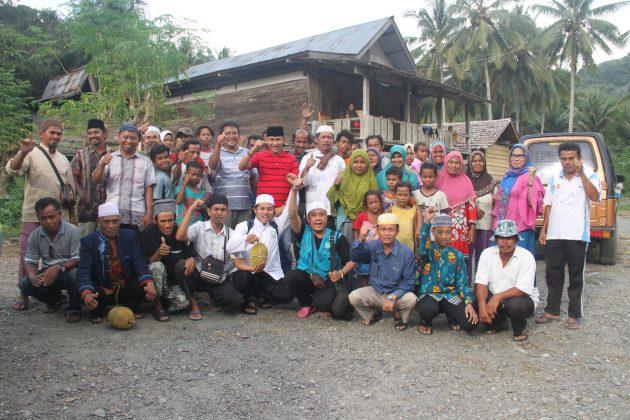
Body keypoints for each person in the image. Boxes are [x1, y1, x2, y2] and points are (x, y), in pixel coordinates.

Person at [6, 119, 75, 311]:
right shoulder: (31, 153)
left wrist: (71, 217)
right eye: (52, 132)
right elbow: (12, 169)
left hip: (59, 217)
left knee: (59, 256)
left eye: (58, 133)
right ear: (41, 134)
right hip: (33, 215)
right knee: (27, 255)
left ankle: (55, 295)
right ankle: (24, 294)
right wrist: (23, 152)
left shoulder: (63, 159)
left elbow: (70, 191)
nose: (55, 136)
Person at [537, 142, 601, 330]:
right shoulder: (555, 177)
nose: (567, 162)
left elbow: (595, 196)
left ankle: (574, 315)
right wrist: (543, 229)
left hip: (577, 234)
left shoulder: (589, 175)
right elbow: (548, 204)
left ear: (578, 159)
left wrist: (581, 174)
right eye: (564, 159)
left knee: (575, 276)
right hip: (555, 234)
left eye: (571, 158)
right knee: (552, 273)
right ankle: (552, 311)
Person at [286, 181, 358, 319]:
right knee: (291, 277)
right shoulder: (303, 232)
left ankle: (321, 303)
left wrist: (340, 273)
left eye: (322, 214)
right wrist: (294, 190)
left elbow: (352, 260)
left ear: (327, 217)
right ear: (308, 219)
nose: (318, 218)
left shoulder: (337, 237)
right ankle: (305, 303)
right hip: (308, 277)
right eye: (314, 215)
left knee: (323, 305)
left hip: (327, 281)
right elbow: (293, 214)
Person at [77, 203, 157, 324]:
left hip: (124, 285)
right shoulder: (88, 241)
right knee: (85, 291)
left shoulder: (130, 236)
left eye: (115, 221)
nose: (111, 226)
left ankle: (127, 309)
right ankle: (102, 309)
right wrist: (86, 293)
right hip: (102, 288)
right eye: (106, 222)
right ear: (99, 222)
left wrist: (149, 282)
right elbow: (84, 269)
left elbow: (138, 261)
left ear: (120, 221)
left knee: (144, 284)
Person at [175, 195, 251, 320]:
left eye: (223, 210)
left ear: (227, 212)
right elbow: (180, 236)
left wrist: (252, 267)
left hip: (218, 278)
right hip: (199, 274)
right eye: (216, 209)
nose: (219, 213)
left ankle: (213, 298)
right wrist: (191, 209)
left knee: (234, 303)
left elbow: (237, 261)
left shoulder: (232, 234)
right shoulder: (199, 227)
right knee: (180, 266)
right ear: (209, 211)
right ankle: (193, 302)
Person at [226, 194, 296, 310]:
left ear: (273, 211)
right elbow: (230, 247)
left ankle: (261, 294)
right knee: (242, 279)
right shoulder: (244, 226)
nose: (265, 212)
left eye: (269, 209)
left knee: (286, 295)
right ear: (255, 210)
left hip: (268, 273)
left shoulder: (275, 226)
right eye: (262, 209)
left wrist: (294, 189)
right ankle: (250, 298)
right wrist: (246, 239)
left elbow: (290, 210)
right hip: (248, 271)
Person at [349, 213, 418, 331]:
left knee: (410, 299)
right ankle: (374, 314)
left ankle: (400, 317)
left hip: (397, 295)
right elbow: (355, 257)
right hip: (377, 292)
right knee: (354, 296)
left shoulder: (406, 252)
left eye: (391, 229)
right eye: (383, 229)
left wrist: (392, 297)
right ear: (378, 231)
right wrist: (361, 238)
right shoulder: (372, 245)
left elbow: (409, 282)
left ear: (397, 232)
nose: (387, 233)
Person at [19, 197, 81, 322]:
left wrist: (59, 267)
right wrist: (32, 276)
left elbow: (77, 259)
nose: (48, 221)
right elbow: (31, 261)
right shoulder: (35, 235)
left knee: (75, 275)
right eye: (43, 218)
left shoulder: (73, 231)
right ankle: (54, 301)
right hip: (49, 272)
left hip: (68, 269)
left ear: (60, 214)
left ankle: (74, 309)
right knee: (25, 283)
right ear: (38, 218)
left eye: (52, 217)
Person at [475, 219, 539, 341]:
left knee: (515, 306)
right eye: (501, 238)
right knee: (476, 301)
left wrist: (497, 297)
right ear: (496, 239)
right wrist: (481, 304)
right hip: (495, 296)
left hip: (520, 298)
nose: (505, 242)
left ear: (516, 239)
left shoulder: (526, 256)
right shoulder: (487, 253)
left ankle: (520, 327)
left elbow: (522, 289)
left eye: (509, 238)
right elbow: (481, 282)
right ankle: (499, 322)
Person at [416, 210, 478, 334]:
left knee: (471, 324)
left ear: (452, 233)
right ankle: (425, 321)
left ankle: (452, 315)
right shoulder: (428, 251)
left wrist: (468, 303)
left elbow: (462, 283)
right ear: (433, 232)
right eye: (440, 232)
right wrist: (427, 222)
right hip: (430, 294)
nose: (444, 236)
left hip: (450, 295)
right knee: (427, 309)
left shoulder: (457, 255)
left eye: (448, 232)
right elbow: (422, 246)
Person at [92, 122, 156, 232]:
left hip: (137, 216)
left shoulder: (146, 162)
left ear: (138, 140)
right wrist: (102, 164)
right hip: (112, 215)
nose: (129, 141)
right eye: (125, 137)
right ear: (118, 138)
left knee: (134, 247)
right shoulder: (109, 158)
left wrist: (149, 213)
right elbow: (95, 179)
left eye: (133, 138)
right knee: (111, 248)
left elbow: (148, 190)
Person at [141, 199, 194, 322]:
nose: (167, 225)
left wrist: (191, 259)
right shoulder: (148, 233)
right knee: (156, 266)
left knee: (183, 304)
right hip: (154, 282)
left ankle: (165, 302)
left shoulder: (179, 232)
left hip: (171, 283)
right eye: (163, 221)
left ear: (175, 219)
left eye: (170, 220)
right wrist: (158, 253)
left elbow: (189, 254)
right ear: (155, 221)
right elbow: (145, 262)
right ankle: (157, 305)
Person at [492, 144, 544, 256]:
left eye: (520, 156)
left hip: (520, 227)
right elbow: (498, 200)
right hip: (503, 227)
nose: (516, 158)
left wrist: (530, 179)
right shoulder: (507, 176)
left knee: (520, 260)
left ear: (526, 158)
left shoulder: (530, 176)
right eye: (514, 155)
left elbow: (532, 202)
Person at [435, 151, 477, 281]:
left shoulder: (466, 181)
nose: (454, 165)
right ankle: (443, 287)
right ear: (446, 163)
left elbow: (471, 206)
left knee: (460, 260)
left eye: (457, 163)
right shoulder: (439, 180)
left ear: (461, 165)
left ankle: (462, 288)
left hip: (461, 229)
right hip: (442, 226)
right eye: (451, 162)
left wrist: (472, 228)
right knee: (442, 258)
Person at [238, 126, 298, 212]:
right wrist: (253, 149)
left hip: (284, 209)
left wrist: (283, 207)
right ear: (267, 140)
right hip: (263, 210)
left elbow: (294, 185)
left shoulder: (291, 158)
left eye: (278, 139)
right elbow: (241, 167)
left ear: (283, 140)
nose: (275, 143)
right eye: (272, 139)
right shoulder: (259, 156)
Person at [209, 121, 252, 229]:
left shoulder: (247, 153)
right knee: (224, 239)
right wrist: (218, 145)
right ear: (221, 136)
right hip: (223, 208)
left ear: (239, 135)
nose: (231, 136)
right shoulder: (217, 152)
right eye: (227, 133)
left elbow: (254, 178)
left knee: (243, 240)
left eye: (234, 133)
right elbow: (213, 166)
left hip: (245, 206)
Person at [327, 149, 378, 241]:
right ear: (351, 163)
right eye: (355, 162)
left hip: (365, 222)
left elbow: (375, 202)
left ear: (367, 163)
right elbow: (331, 196)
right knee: (345, 248)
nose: (359, 165)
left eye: (362, 162)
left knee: (363, 249)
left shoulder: (371, 180)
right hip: (345, 220)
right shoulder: (343, 177)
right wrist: (336, 186)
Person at [70, 119, 108, 236]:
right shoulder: (81, 154)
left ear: (104, 133)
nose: (93, 136)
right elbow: (72, 178)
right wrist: (81, 193)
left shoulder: (112, 154)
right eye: (90, 133)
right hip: (86, 210)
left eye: (96, 132)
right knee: (85, 244)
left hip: (108, 210)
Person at [299, 125, 346, 213]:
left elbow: (345, 185)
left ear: (333, 140)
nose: (326, 140)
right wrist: (307, 168)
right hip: (312, 208)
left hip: (333, 209)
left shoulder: (339, 160)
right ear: (316, 140)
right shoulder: (307, 158)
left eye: (329, 137)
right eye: (323, 137)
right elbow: (300, 184)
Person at [466, 150, 499, 269]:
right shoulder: (464, 181)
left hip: (486, 227)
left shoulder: (491, 181)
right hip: (468, 228)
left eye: (480, 160)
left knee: (484, 260)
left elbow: (496, 204)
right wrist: (472, 209)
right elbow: (459, 202)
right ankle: (467, 286)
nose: (477, 163)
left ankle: (481, 287)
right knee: (466, 259)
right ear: (470, 163)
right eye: (474, 161)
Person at [352, 190, 383, 284]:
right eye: (370, 203)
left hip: (379, 252)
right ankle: (365, 293)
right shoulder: (362, 216)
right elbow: (356, 234)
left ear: (380, 202)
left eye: (376, 202)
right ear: (366, 205)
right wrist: (357, 249)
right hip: (365, 252)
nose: (374, 205)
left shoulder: (384, 216)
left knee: (378, 275)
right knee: (364, 274)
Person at [388, 182, 419, 253]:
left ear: (410, 196)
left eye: (405, 195)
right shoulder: (391, 210)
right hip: (393, 250)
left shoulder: (413, 211)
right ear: (395, 195)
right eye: (400, 195)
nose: (402, 198)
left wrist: (416, 251)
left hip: (409, 249)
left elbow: (414, 232)